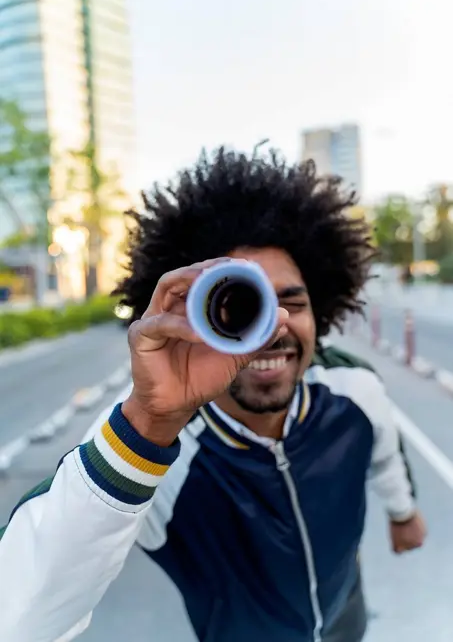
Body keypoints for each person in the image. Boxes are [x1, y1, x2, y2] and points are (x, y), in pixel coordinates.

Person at [0, 149, 426, 642]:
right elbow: (17, 618)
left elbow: (385, 450)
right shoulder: (154, 453)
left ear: (322, 312)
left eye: (292, 303)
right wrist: (148, 424)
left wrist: (403, 512)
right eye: (243, 306)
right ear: (190, 318)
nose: (272, 329)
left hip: (347, 624)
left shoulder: (354, 389)